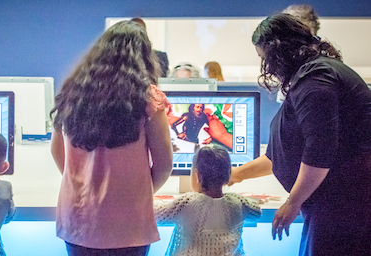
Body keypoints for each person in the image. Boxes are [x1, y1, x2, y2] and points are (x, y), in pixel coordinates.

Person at [230, 13, 371, 255]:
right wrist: (236, 175)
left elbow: (320, 150)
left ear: (277, 52)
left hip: (345, 204)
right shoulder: (313, 74)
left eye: (264, 58)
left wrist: (292, 202)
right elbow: (282, 154)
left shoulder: (317, 79)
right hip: (336, 202)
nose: (266, 67)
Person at [50, 20, 173, 255]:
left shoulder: (72, 93)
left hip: (78, 219)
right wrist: (137, 192)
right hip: (128, 224)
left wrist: (81, 183)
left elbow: (57, 152)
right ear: (144, 56)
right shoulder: (148, 98)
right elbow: (164, 165)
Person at [154, 145, 261, 256]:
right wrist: (248, 199)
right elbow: (257, 212)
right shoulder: (238, 202)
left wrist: (155, 200)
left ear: (198, 175)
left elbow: (157, 214)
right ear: (228, 175)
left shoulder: (186, 202)